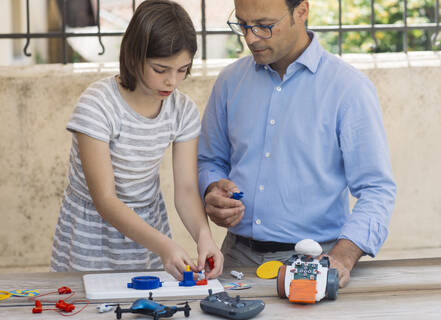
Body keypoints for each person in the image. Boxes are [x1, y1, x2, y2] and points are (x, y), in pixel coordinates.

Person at [198, 0, 396, 288]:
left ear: (301, 12)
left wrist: (342, 256)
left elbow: (377, 189)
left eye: (265, 26)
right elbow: (210, 160)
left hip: (316, 261)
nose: (251, 38)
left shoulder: (349, 89)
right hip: (234, 258)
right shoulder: (229, 82)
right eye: (242, 24)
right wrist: (212, 188)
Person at [51, 0, 223, 280]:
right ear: (134, 56)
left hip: (148, 232)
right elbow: (105, 199)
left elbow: (187, 189)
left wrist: (205, 237)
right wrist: (165, 246)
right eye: (160, 69)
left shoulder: (182, 109)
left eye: (182, 70)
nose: (172, 81)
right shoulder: (97, 105)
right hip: (92, 237)